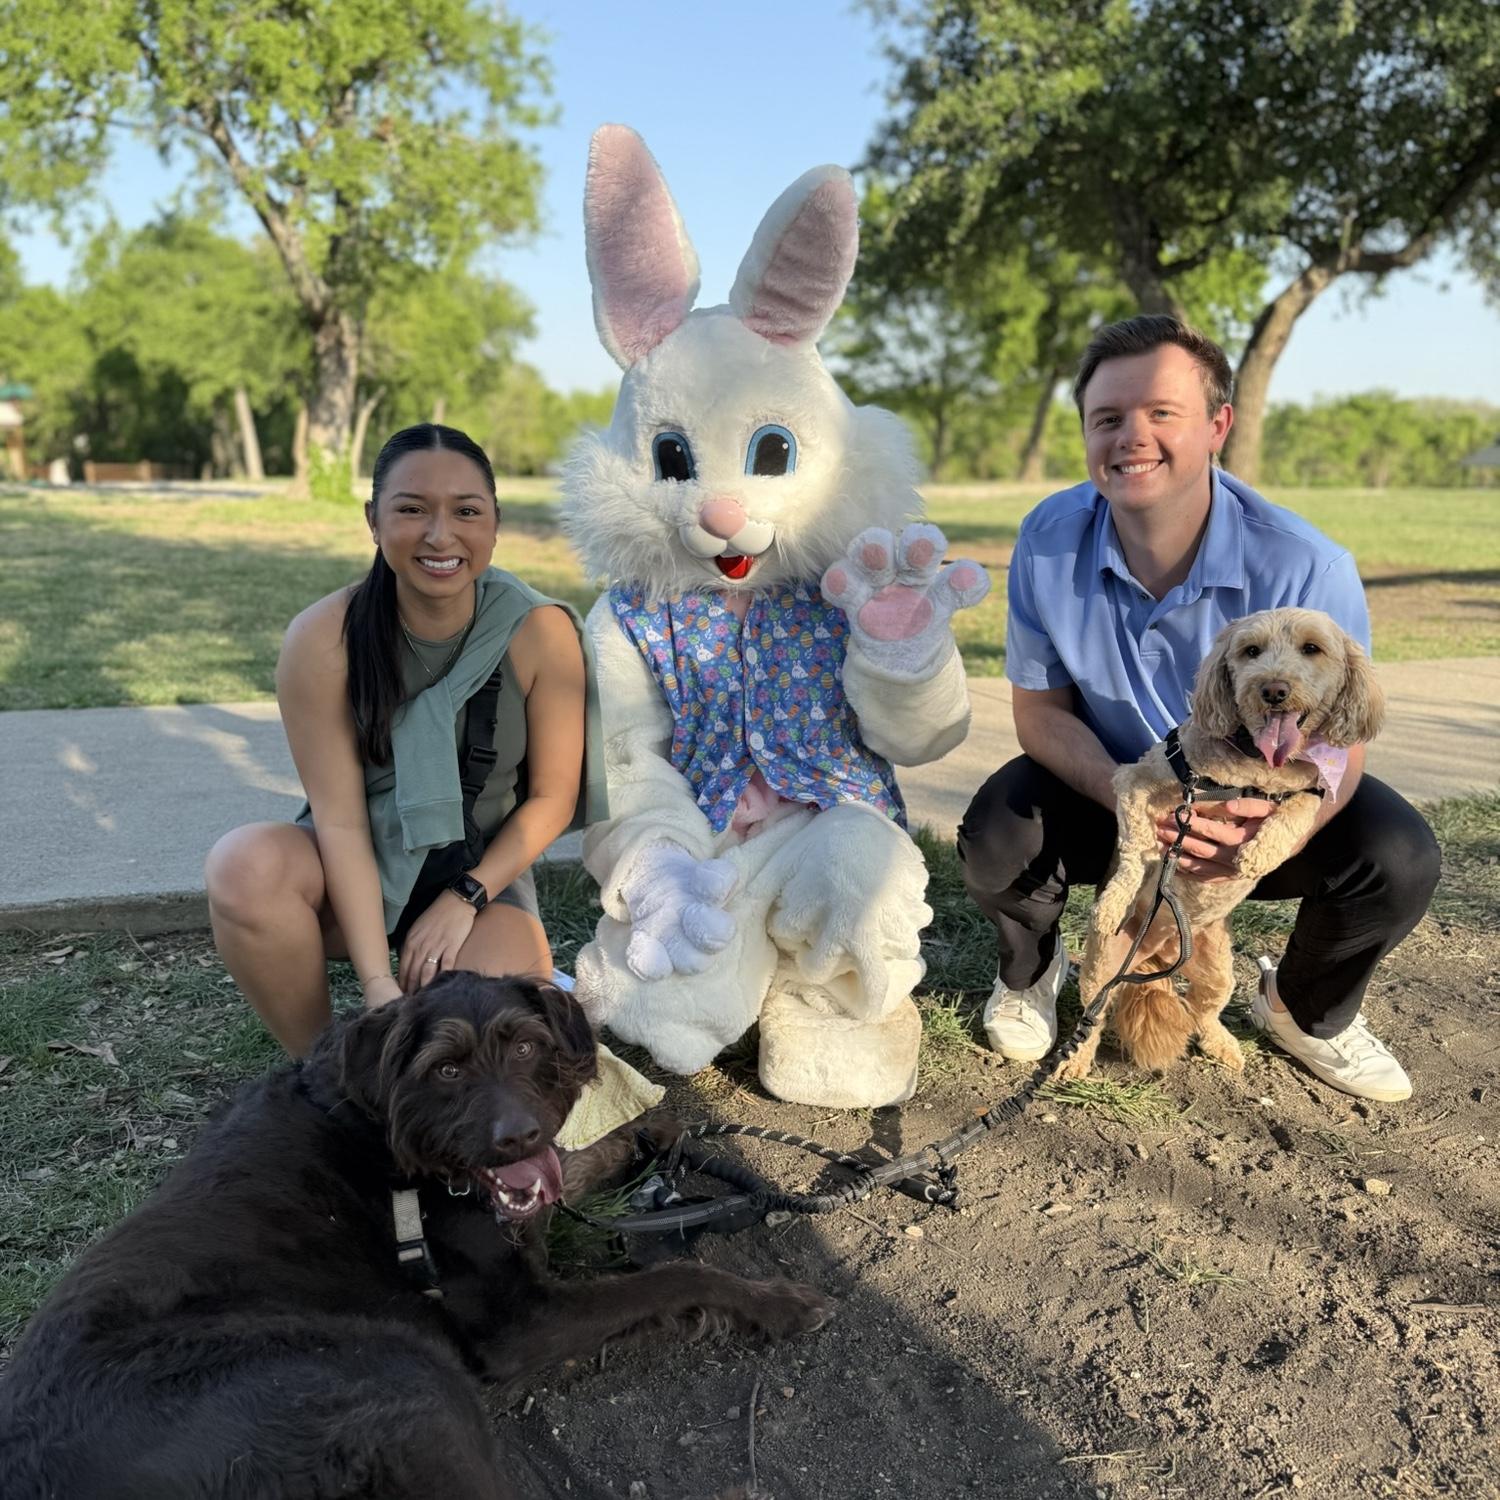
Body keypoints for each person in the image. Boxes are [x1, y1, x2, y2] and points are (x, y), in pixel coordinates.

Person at [957, 315, 1439, 1102]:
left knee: (1399, 855)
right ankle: (1035, 973)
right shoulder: (1047, 538)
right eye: (1107, 419)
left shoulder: (1307, 564)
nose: (1131, 438)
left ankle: (1302, 1010)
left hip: (1260, 803)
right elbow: (1039, 715)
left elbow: (1340, 745)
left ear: (1218, 424)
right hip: (1116, 786)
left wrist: (1264, 832)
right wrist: (1137, 796)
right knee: (998, 832)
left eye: (1161, 413)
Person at [206, 423, 603, 1056]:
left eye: (466, 512)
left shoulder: (538, 631)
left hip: (478, 870)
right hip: (357, 862)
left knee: (496, 1044)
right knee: (245, 865)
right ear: (373, 519)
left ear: (495, 522)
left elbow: (551, 801)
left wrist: (464, 897)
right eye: (412, 510)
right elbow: (338, 822)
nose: (440, 536)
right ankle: (321, 1068)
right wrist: (376, 983)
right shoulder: (323, 638)